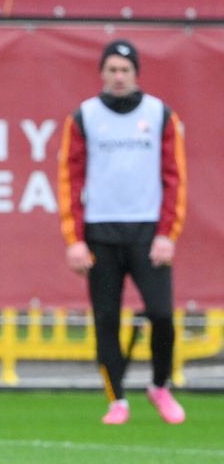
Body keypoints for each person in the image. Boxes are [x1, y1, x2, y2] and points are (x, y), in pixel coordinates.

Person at [57, 39, 187, 426]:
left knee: (162, 315)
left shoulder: (160, 114)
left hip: (148, 231)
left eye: (124, 70)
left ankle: (160, 386)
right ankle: (117, 400)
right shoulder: (84, 117)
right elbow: (69, 178)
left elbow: (175, 177)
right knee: (106, 319)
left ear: (136, 74)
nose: (118, 77)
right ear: (101, 73)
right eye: (111, 70)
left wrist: (168, 233)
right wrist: (74, 239)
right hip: (100, 232)